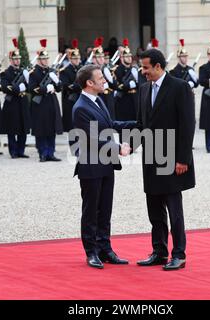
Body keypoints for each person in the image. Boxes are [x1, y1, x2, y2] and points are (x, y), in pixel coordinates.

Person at [134, 49, 196, 271]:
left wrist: (183, 159)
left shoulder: (180, 87)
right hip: (150, 158)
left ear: (158, 66)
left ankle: (179, 253)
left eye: (146, 68)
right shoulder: (143, 89)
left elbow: (188, 125)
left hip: (172, 158)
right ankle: (159, 251)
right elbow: (142, 124)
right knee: (154, 209)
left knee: (174, 209)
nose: (143, 72)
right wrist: (128, 146)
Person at [72, 64, 137, 269]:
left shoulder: (98, 100)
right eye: (100, 77)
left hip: (106, 164)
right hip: (91, 166)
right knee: (91, 211)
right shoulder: (80, 107)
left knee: (105, 210)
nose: (104, 80)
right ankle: (91, 252)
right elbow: (91, 138)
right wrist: (119, 148)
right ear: (89, 83)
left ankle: (105, 249)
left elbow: (110, 124)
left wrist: (137, 123)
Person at [29, 39, 64, 162]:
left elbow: (59, 88)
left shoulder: (51, 71)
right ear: (39, 60)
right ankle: (42, 153)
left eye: (47, 59)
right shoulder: (34, 72)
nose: (46, 61)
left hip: (51, 103)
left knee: (51, 129)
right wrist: (45, 88)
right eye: (43, 59)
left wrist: (57, 81)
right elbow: (32, 88)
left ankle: (51, 152)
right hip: (40, 104)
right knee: (41, 129)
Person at [0, 38, 31, 159]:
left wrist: (26, 85)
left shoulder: (24, 72)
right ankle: (13, 151)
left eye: (18, 59)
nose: (17, 61)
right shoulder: (6, 73)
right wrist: (18, 88)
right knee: (12, 129)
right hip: (12, 104)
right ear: (11, 60)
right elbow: (5, 87)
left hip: (22, 102)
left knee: (23, 128)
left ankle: (21, 150)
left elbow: (30, 86)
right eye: (15, 59)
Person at [114, 38, 139, 121]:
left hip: (134, 100)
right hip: (124, 101)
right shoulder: (118, 70)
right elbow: (118, 86)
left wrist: (136, 83)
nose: (129, 58)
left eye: (130, 56)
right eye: (126, 56)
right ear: (121, 58)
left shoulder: (134, 69)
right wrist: (129, 85)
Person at [60, 39, 82, 132]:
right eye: (75, 58)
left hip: (80, 99)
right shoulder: (65, 70)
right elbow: (67, 86)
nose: (77, 60)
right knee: (72, 127)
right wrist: (80, 85)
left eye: (78, 58)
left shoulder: (82, 69)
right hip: (70, 100)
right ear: (70, 59)